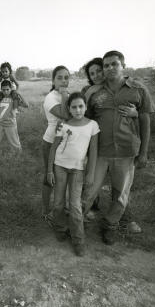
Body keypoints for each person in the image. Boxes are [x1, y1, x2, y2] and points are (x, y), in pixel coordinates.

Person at [83, 50, 155, 245]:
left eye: (114, 64)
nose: (109, 68)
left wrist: (144, 153)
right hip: (99, 151)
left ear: (123, 65)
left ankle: (110, 225)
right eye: (106, 65)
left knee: (121, 193)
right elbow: (84, 120)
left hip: (126, 151)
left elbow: (145, 120)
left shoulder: (138, 89)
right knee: (89, 188)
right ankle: (76, 220)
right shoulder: (94, 92)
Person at [81, 58, 140, 234]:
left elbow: (143, 115)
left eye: (100, 70)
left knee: (121, 188)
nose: (98, 74)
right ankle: (79, 218)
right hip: (97, 147)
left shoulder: (127, 88)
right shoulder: (89, 92)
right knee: (90, 186)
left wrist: (135, 113)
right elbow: (81, 115)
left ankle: (114, 223)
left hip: (124, 148)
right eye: (92, 73)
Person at [46, 93, 99, 256]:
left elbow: (94, 151)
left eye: (81, 106)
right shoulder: (63, 125)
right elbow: (53, 148)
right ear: (69, 109)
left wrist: (91, 173)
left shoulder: (92, 125)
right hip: (60, 166)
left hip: (78, 170)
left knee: (75, 206)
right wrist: (49, 170)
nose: (78, 110)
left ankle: (78, 240)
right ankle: (60, 228)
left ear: (85, 107)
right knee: (58, 203)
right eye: (74, 107)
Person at [42, 65, 71, 216]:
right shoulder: (51, 97)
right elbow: (65, 115)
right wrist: (65, 95)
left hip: (66, 143)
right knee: (49, 176)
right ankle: (46, 211)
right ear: (53, 80)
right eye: (59, 78)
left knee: (63, 176)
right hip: (50, 142)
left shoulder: (68, 94)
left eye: (66, 77)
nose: (63, 81)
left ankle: (61, 206)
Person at [0, 80, 29, 155]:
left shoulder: (14, 98)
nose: (5, 91)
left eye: (7, 89)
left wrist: (19, 93)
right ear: (1, 89)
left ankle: (19, 155)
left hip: (10, 124)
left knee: (15, 142)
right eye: (3, 90)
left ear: (11, 89)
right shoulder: (0, 97)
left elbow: (26, 105)